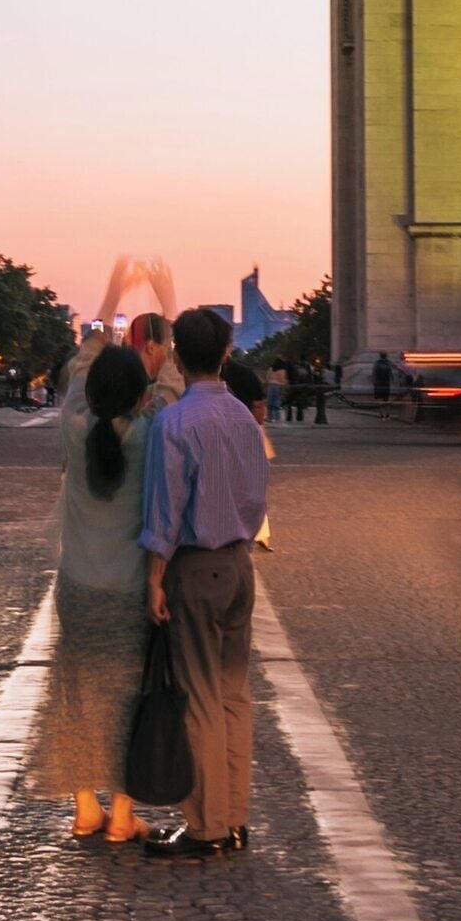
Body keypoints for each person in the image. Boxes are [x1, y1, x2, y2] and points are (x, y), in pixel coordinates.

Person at [138, 307, 268, 858]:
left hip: (194, 566)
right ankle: (235, 818)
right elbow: (258, 498)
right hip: (240, 565)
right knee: (235, 695)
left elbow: (165, 510)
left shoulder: (174, 422)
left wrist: (155, 578)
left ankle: (207, 826)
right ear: (226, 354)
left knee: (199, 700)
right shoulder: (244, 418)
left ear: (175, 356)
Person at [30, 343, 153, 845]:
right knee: (130, 702)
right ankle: (123, 816)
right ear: (139, 397)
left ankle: (85, 809)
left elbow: (76, 374)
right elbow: (166, 388)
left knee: (75, 696)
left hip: (78, 588)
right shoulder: (150, 435)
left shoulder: (74, 429)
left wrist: (99, 326)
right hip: (132, 591)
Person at [130, 313, 184, 420]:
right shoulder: (166, 379)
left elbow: (146, 427)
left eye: (133, 346)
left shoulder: (169, 384)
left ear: (150, 347)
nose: (130, 353)